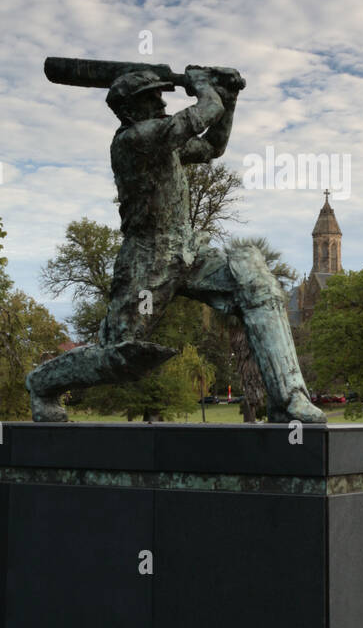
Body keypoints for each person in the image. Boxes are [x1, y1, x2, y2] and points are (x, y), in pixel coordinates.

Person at [26, 64, 325, 425]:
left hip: (189, 250)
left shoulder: (164, 146)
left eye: (161, 95)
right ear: (129, 109)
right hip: (148, 259)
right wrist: (202, 84)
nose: (161, 103)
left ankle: (289, 400)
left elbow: (213, 145)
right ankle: (42, 384)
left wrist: (228, 100)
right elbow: (202, 114)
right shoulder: (135, 141)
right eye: (152, 97)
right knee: (119, 357)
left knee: (256, 280)